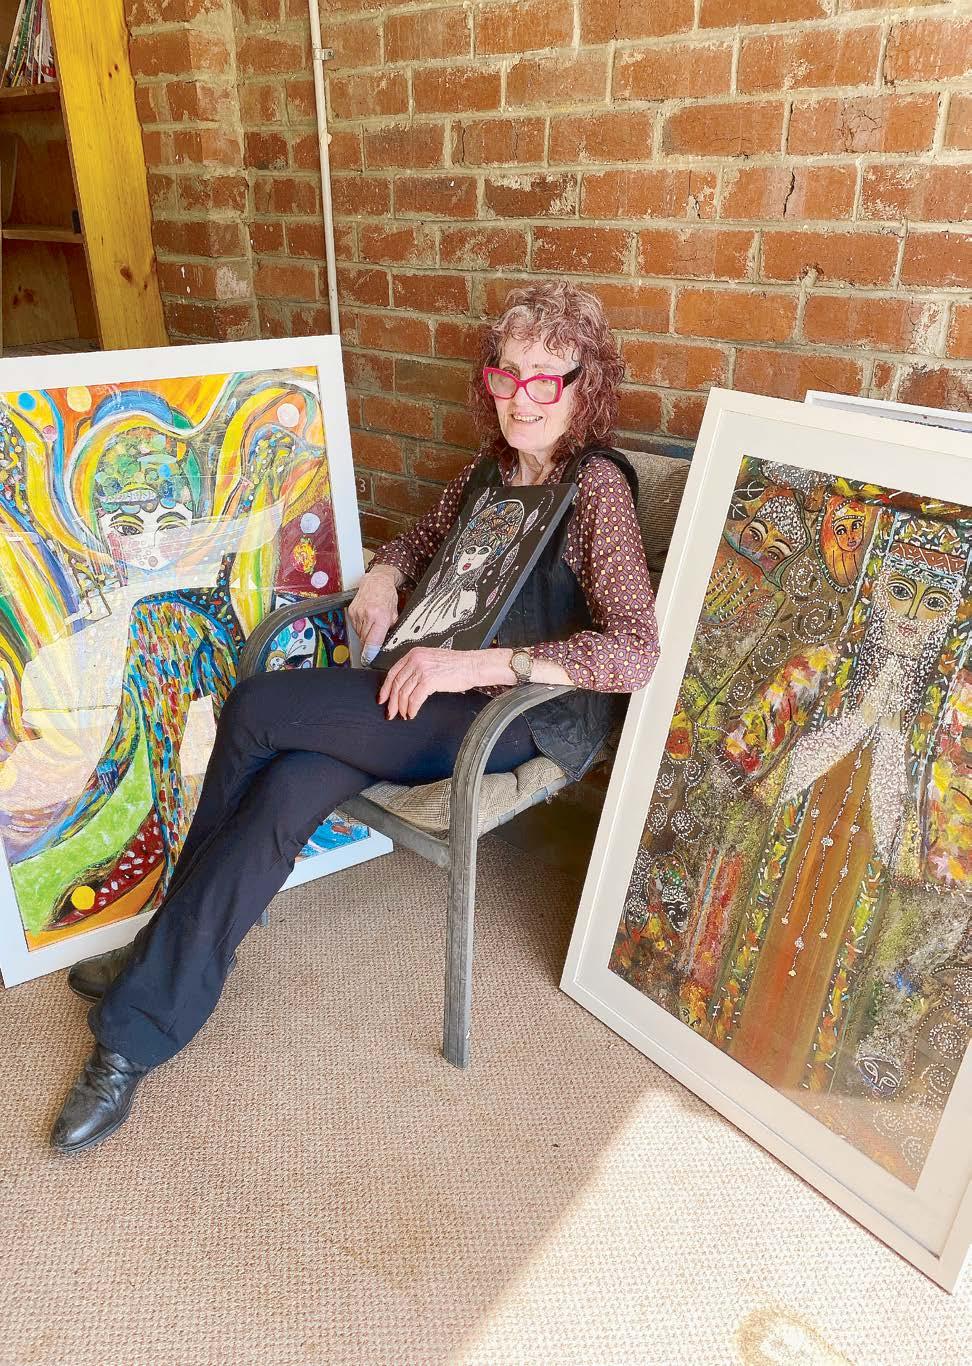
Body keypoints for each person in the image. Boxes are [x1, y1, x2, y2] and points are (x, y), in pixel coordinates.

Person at [51, 280, 660, 1155]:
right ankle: (134, 1034)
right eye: (506, 374)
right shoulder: (491, 470)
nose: (519, 398)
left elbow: (634, 651)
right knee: (284, 794)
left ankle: (155, 948)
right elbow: (420, 541)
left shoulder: (595, 489)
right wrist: (382, 575)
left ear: (581, 388)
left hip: (508, 714)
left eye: (543, 380)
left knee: (256, 705)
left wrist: (474, 665)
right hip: (418, 686)